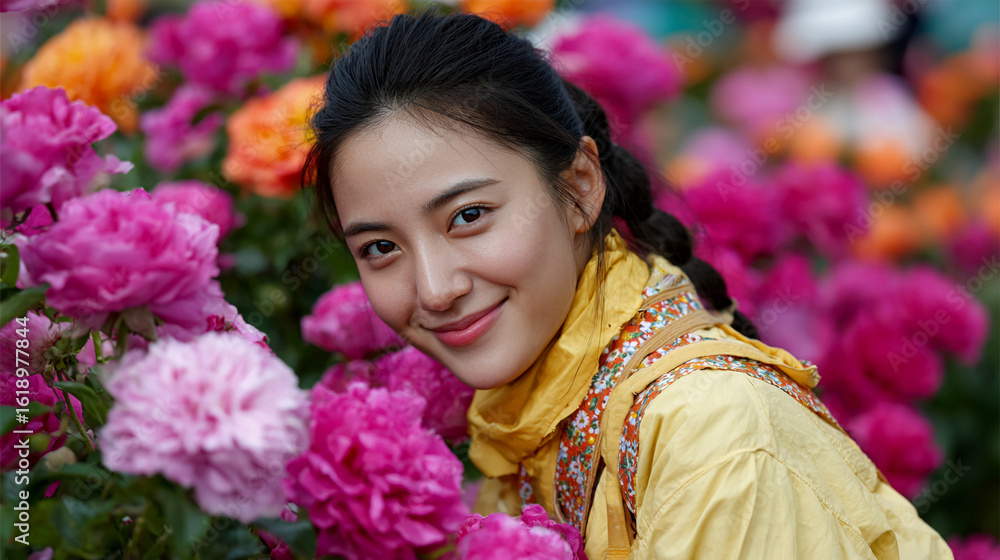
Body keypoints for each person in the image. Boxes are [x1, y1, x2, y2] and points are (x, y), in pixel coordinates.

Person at [302, 8, 954, 559]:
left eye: (468, 217)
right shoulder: (529, 401)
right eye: (381, 247)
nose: (434, 288)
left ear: (580, 188)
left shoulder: (713, 434)